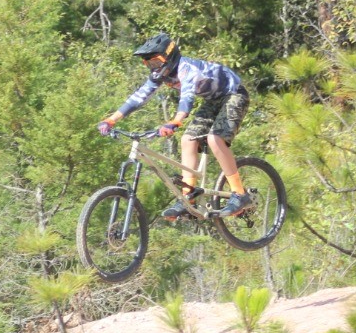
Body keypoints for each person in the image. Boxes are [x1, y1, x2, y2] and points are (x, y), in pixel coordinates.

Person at [97, 33, 252, 220]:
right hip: (213, 100)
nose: (153, 67)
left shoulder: (186, 68)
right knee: (187, 140)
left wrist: (175, 121)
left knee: (214, 139)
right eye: (148, 64)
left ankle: (239, 194)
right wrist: (111, 119)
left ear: (169, 56)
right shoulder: (159, 76)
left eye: (156, 61)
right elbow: (138, 97)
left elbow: (187, 96)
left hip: (234, 94)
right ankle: (189, 197)